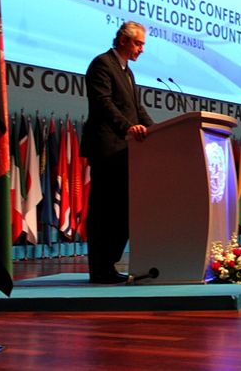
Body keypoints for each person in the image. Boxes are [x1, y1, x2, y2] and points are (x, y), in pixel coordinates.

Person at [81, 21, 154, 284]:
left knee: (123, 212)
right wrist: (128, 128)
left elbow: (136, 108)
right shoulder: (102, 64)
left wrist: (157, 131)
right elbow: (103, 104)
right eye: (138, 43)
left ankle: (109, 265)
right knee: (105, 212)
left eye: (142, 44)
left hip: (125, 152)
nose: (141, 49)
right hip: (107, 149)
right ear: (123, 40)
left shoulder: (128, 72)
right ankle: (99, 269)